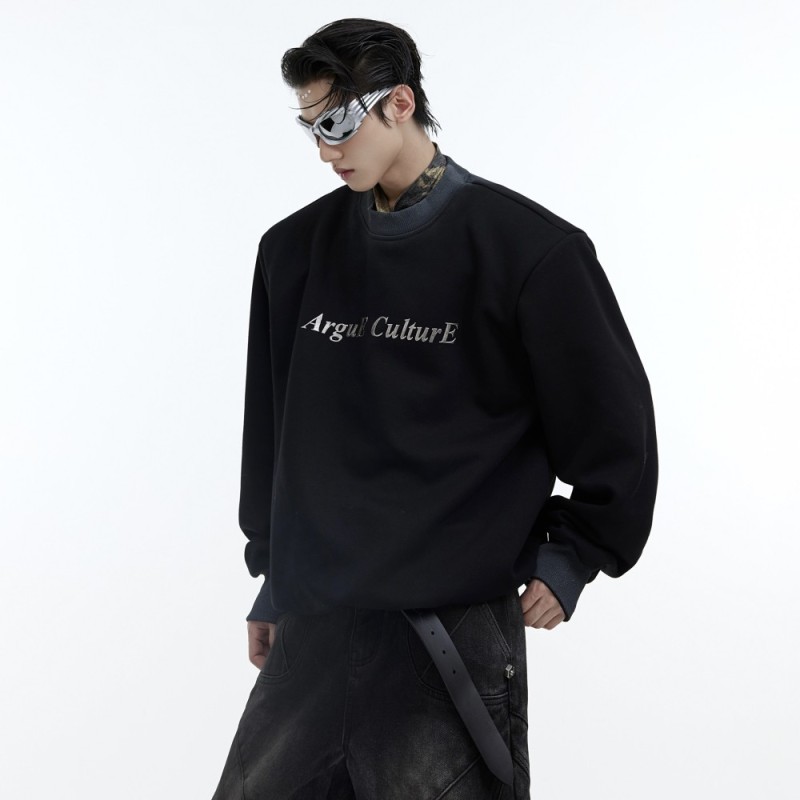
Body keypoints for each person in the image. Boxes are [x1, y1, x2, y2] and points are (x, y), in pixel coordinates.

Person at [212, 17, 658, 800]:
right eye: (310, 128)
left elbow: (615, 427)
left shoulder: (532, 253)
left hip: (449, 631)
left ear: (400, 103)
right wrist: (273, 572)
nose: (325, 150)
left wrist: (577, 553)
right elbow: (274, 433)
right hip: (315, 622)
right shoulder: (291, 252)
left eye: (337, 123)